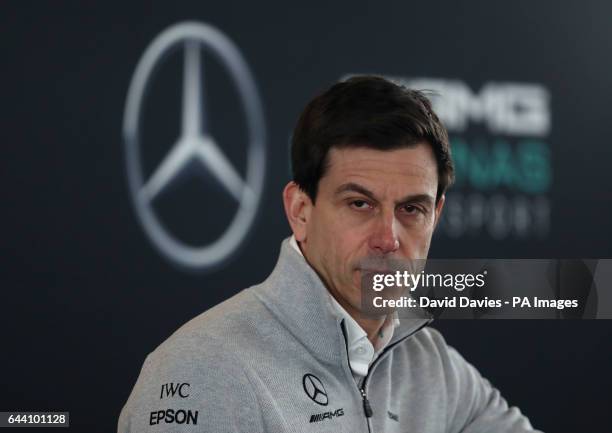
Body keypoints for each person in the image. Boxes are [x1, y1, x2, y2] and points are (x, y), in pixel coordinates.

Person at [118, 76, 541, 432]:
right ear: (300, 211)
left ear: (436, 215)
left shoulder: (430, 364)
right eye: (360, 204)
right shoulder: (203, 370)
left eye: (412, 209)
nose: (388, 239)